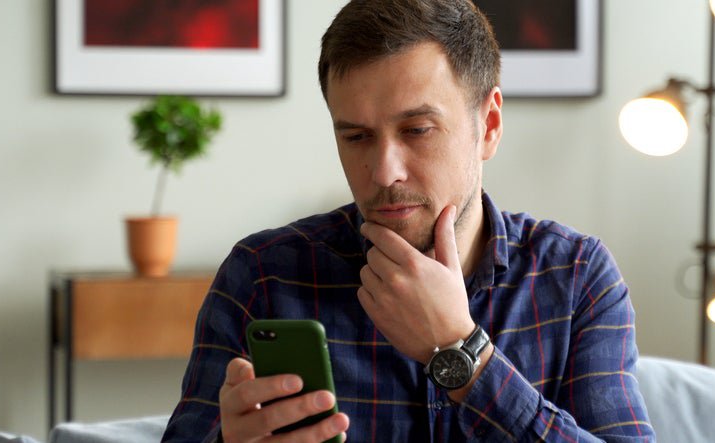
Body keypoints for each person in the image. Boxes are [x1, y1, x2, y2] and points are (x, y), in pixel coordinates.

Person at [163, 0, 655, 441]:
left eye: (417, 130)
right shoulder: (263, 275)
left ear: (488, 126)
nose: (383, 171)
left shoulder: (576, 277)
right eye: (356, 137)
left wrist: (461, 356)